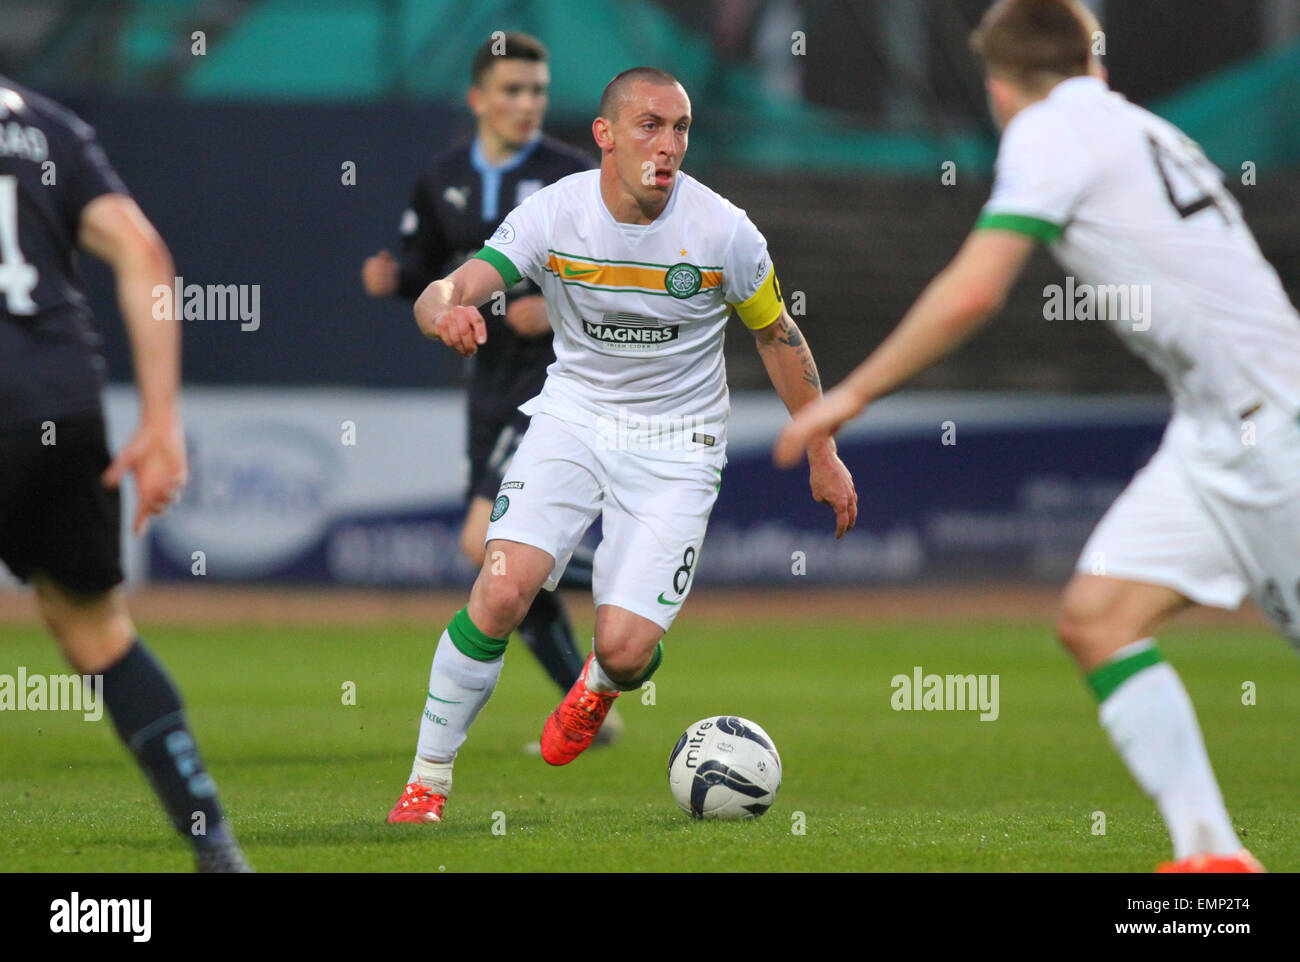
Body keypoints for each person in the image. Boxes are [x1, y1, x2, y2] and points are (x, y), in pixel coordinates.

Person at [775, 0, 1300, 873]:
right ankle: (1211, 860)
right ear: (1092, 61)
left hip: (1275, 435)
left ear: (997, 84)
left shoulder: (1048, 130)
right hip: (1218, 430)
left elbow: (975, 290)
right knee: (1098, 619)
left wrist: (850, 395)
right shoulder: (1131, 123)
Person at [386, 66, 857, 823]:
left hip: (679, 444)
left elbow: (777, 333)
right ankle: (426, 783)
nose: (668, 146)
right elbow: (449, 286)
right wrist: (445, 310)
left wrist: (822, 448)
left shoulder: (722, 231)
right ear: (604, 135)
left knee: (628, 647)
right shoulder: (554, 215)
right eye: (650, 126)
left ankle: (600, 686)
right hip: (574, 419)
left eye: (680, 129)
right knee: (502, 588)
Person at [0, 77, 250, 872]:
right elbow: (142, 252)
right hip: (60, 404)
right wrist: (160, 420)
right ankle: (213, 841)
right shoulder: (48, 126)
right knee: (97, 631)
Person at [362, 33, 613, 740]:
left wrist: (561, 308)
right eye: (512, 90)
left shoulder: (573, 178)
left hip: (551, 384)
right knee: (501, 557)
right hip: (486, 384)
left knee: (487, 545)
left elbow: (619, 274)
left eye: (537, 90)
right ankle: (584, 703)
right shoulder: (442, 175)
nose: (527, 104)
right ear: (478, 98)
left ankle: (641, 573)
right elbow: (426, 270)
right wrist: (392, 281)